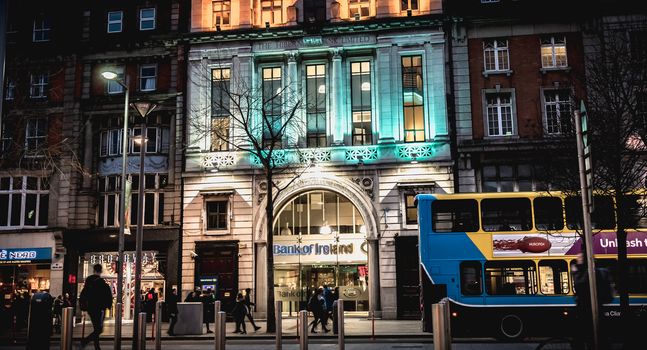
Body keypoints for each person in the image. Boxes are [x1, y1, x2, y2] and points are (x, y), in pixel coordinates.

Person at [571, 253, 612, 350]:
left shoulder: (589, 272)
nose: (578, 260)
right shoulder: (590, 271)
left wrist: (575, 272)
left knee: (581, 336)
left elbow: (580, 287)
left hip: (587, 309)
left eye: (580, 258)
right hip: (593, 308)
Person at [79, 263, 113, 350]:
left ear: (94, 270)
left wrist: (83, 305)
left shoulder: (88, 281)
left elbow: (83, 293)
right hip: (100, 309)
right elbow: (107, 295)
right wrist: (108, 305)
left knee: (96, 328)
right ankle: (85, 341)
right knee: (99, 329)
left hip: (91, 308)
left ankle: (97, 347)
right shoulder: (101, 282)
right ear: (101, 271)